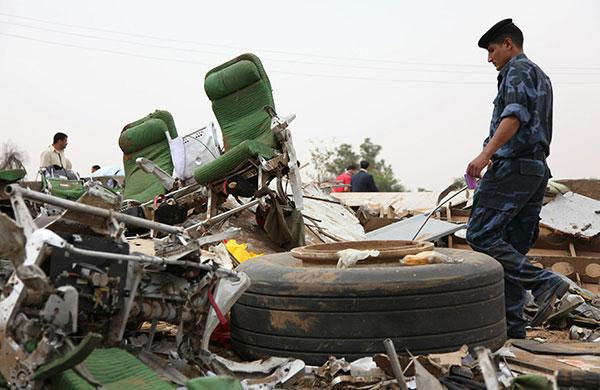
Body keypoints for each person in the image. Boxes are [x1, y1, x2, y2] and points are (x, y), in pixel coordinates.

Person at [465, 19, 569, 338]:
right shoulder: (542, 76)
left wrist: (485, 156)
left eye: (492, 50)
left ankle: (545, 283)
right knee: (510, 250)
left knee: (480, 235)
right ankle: (513, 330)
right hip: (535, 172)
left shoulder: (516, 70)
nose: (489, 58)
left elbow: (513, 116)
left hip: (514, 168)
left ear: (509, 44)